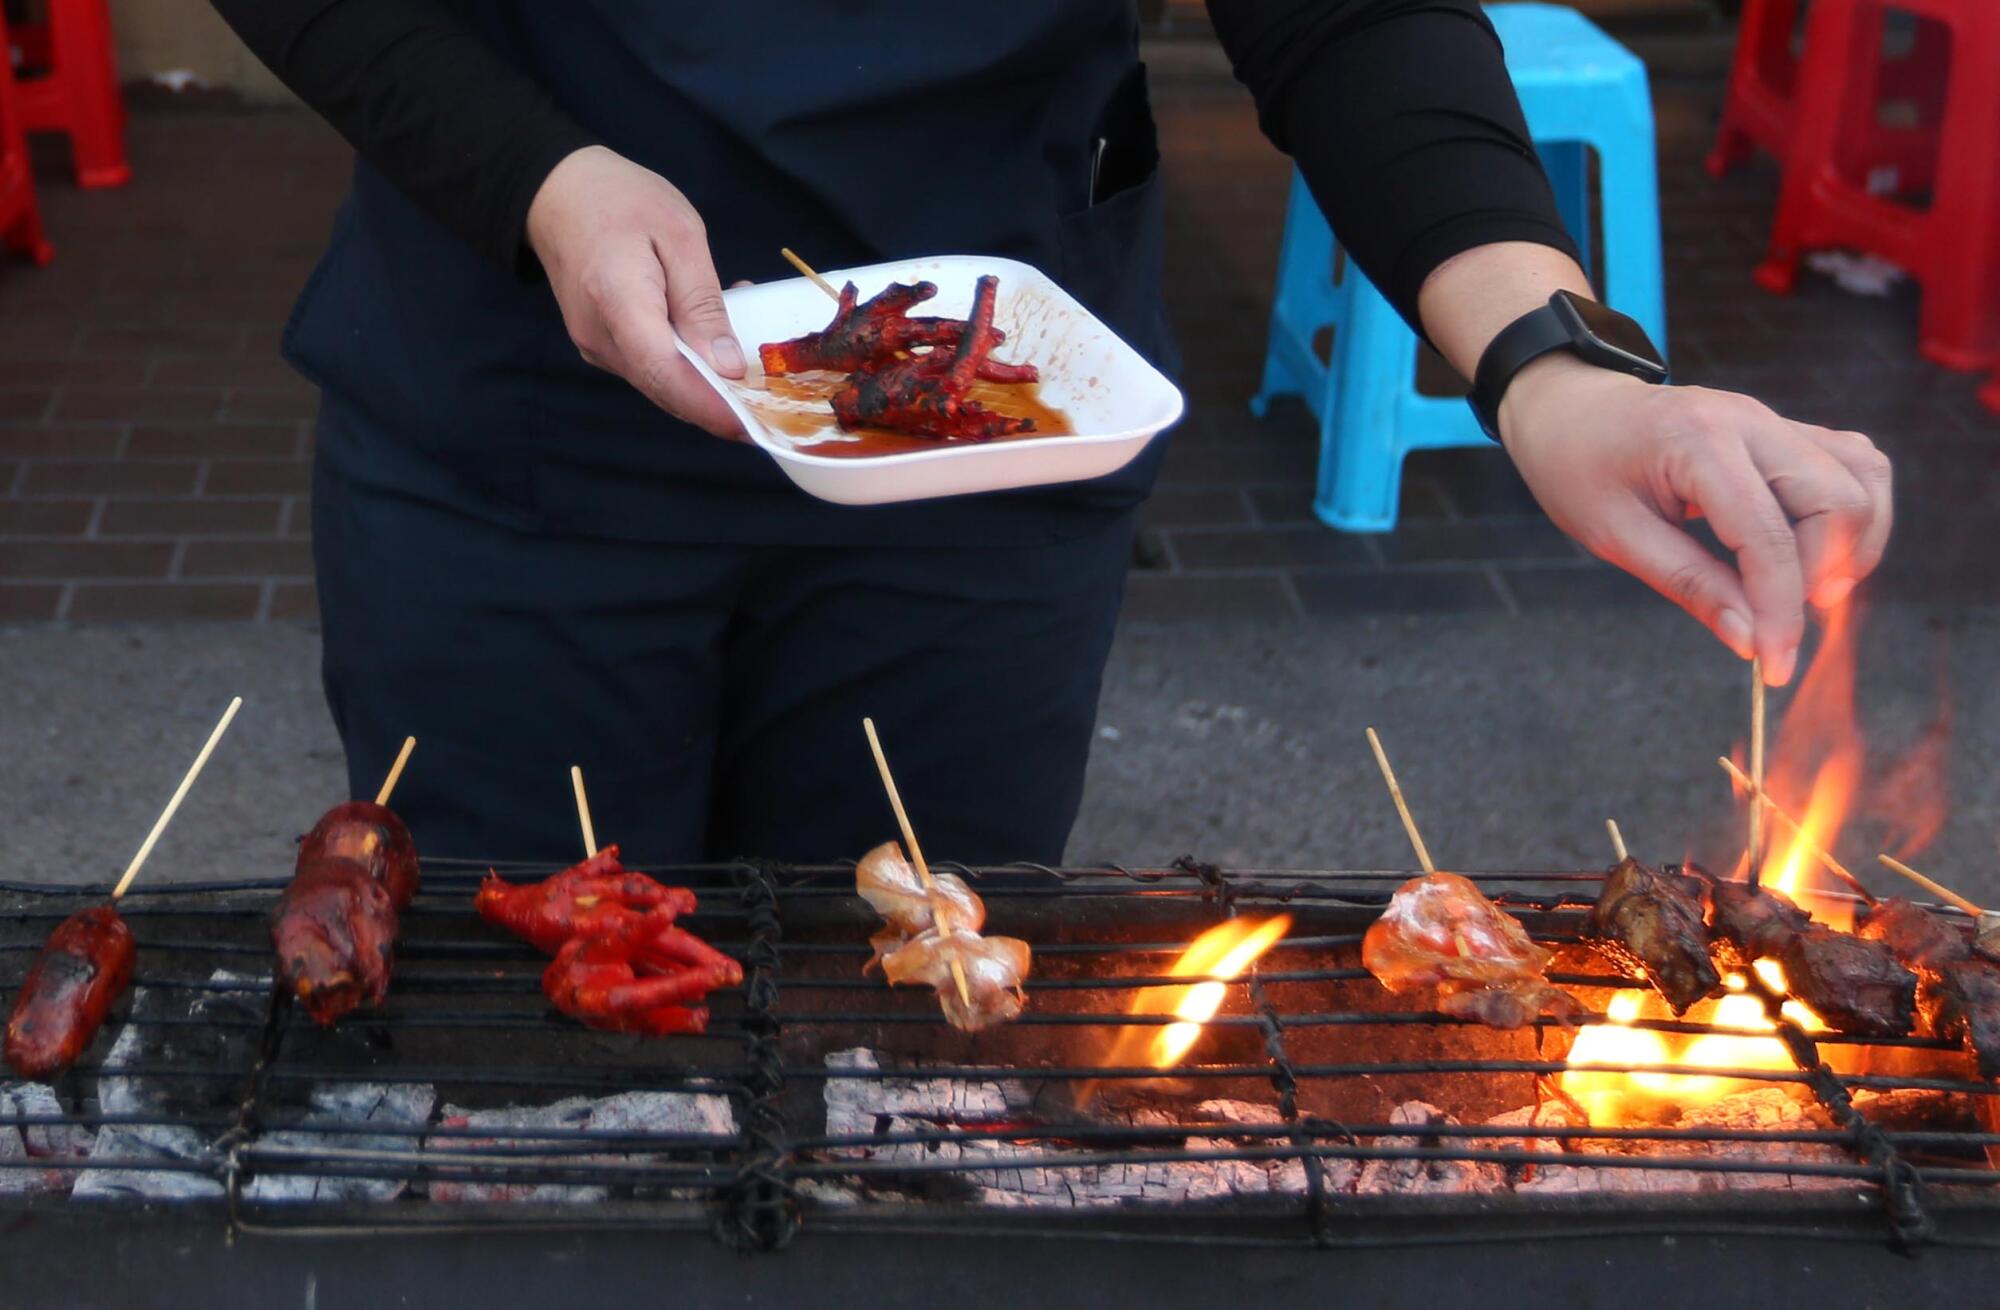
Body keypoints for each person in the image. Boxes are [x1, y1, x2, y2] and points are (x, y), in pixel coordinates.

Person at [213, 0, 1892, 865]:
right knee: (519, 1071)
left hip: (991, 432)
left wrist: (1554, 358)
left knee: (911, 1069)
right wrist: (537, 175)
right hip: (515, 400)